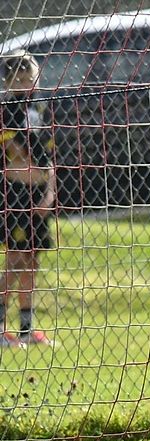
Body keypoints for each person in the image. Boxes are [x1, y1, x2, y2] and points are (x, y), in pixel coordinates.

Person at [0, 50, 56, 347]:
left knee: (31, 261)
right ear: (8, 83)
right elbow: (18, 152)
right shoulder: (8, 112)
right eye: (18, 79)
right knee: (15, 261)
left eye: (29, 77)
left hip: (38, 196)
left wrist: (49, 192)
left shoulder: (41, 108)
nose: (25, 83)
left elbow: (49, 158)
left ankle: (25, 329)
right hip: (15, 197)